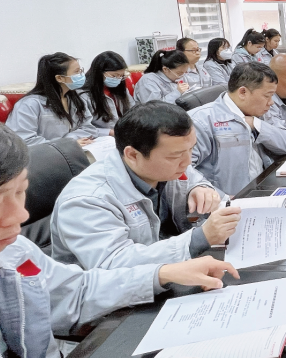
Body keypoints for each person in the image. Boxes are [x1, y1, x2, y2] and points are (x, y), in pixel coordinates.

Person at [0, 112, 238, 358]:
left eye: (21, 192)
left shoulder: (11, 252)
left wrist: (160, 274)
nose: (20, 216)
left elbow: (75, 292)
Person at [51, 101, 240, 269]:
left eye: (191, 149)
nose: (187, 162)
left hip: (171, 271)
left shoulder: (167, 165)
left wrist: (201, 188)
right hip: (121, 294)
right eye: (175, 155)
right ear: (133, 155)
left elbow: (194, 179)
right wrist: (200, 238)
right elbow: (114, 265)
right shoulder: (88, 199)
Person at [189, 62, 279, 196]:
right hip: (228, 202)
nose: (271, 102)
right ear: (243, 92)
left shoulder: (260, 111)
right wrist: (221, 197)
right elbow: (182, 170)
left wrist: (259, 125)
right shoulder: (201, 120)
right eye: (267, 95)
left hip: (261, 188)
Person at [6, 52, 95, 146]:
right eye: (76, 72)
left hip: (73, 150)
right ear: (60, 78)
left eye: (80, 71)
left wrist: (71, 141)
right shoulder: (29, 105)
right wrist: (65, 144)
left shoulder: (75, 98)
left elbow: (88, 128)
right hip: (43, 153)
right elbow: (24, 141)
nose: (81, 75)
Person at [81, 51, 132, 135]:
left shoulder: (120, 88)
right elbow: (84, 127)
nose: (118, 79)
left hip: (125, 132)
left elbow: (133, 110)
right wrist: (109, 132)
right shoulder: (84, 94)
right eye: (114, 76)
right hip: (102, 137)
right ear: (99, 72)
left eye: (121, 75)